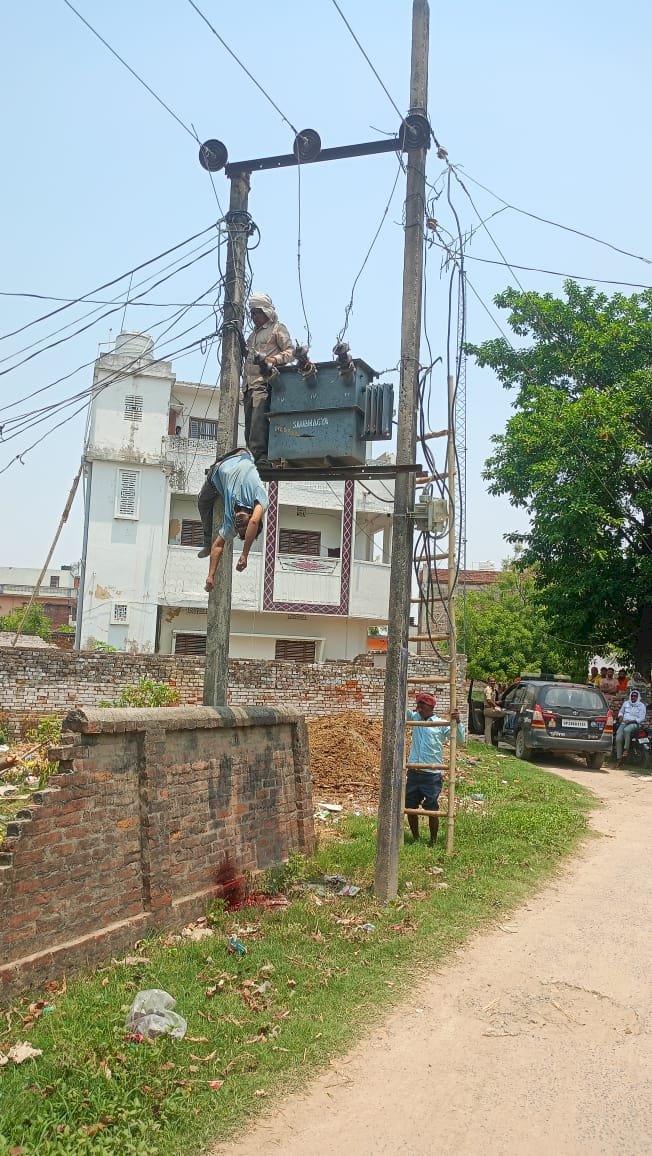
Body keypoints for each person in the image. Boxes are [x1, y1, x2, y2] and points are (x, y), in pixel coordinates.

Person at [196, 448, 268, 591]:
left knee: (202, 502)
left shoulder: (230, 523)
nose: (239, 523)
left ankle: (207, 542)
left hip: (215, 475)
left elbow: (218, 546)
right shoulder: (259, 496)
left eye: (238, 527)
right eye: (244, 525)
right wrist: (244, 555)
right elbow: (254, 522)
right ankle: (207, 539)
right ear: (253, 516)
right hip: (239, 455)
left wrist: (211, 576)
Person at [405, 692, 465, 846]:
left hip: (431, 775)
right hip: (414, 771)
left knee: (432, 807)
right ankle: (416, 838)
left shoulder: (440, 723)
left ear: (431, 707)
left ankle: (433, 840)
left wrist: (457, 721)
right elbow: (401, 709)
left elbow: (459, 739)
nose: (418, 708)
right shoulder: (415, 719)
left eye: (422, 705)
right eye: (418, 705)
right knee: (409, 806)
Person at [244, 292, 294, 465]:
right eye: (251, 313)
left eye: (256, 312)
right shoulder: (252, 336)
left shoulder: (277, 329)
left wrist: (273, 360)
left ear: (266, 311)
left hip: (264, 383)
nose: (253, 317)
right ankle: (252, 457)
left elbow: (290, 352)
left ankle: (261, 458)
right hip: (249, 386)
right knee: (249, 426)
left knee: (258, 423)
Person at [615, 689, 647, 764]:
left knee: (627, 730)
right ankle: (619, 759)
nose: (633, 697)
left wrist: (631, 721)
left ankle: (626, 750)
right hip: (624, 723)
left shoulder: (641, 706)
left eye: (635, 696)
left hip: (634, 724)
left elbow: (641, 718)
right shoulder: (626, 703)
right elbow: (621, 712)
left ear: (638, 697)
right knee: (618, 738)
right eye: (632, 696)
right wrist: (620, 717)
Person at [483, 676, 505, 746]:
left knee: (488, 727)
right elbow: (489, 700)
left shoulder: (493, 689)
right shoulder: (488, 689)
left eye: (494, 681)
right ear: (488, 682)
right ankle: (503, 731)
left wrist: (497, 703)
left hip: (490, 709)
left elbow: (492, 700)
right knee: (504, 713)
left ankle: (488, 743)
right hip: (489, 709)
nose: (493, 682)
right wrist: (496, 706)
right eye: (491, 681)